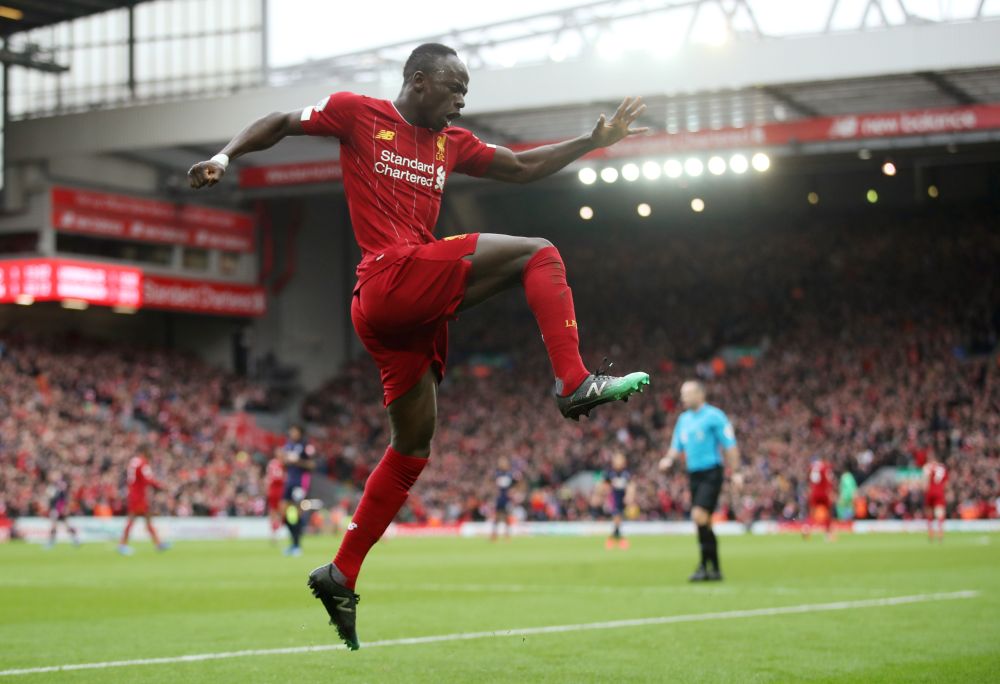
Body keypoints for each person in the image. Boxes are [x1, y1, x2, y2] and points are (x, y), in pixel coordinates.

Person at [189, 42, 650, 650]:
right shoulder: (358, 114)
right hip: (387, 278)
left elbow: (519, 166)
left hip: (401, 315)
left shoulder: (449, 144)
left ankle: (341, 570)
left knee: (412, 447)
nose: (462, 102)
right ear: (419, 80)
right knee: (539, 252)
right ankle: (572, 381)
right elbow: (280, 121)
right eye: (455, 89)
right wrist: (225, 155)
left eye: (466, 94)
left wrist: (589, 143)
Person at [660, 380, 739, 582]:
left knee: (698, 516)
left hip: (711, 471)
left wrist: (736, 471)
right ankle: (714, 569)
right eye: (682, 393)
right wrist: (668, 459)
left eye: (687, 393)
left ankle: (705, 565)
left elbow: (729, 445)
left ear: (700, 395)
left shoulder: (714, 416)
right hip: (693, 474)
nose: (682, 397)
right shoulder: (683, 420)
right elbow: (676, 446)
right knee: (703, 522)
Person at [119, 449, 169, 555]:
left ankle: (158, 543)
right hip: (139, 496)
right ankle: (122, 545)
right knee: (133, 519)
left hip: (133, 494)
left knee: (146, 519)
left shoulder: (133, 461)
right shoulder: (142, 463)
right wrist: (160, 486)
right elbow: (148, 479)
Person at [280, 425, 315, 557]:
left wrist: (297, 461)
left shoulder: (306, 446)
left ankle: (297, 546)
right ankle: (293, 544)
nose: (292, 433)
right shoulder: (288, 445)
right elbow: (284, 462)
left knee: (297, 513)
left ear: (300, 433)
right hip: (289, 482)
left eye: (295, 431)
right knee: (284, 513)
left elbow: (312, 465)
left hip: (300, 483)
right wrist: (284, 459)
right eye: (291, 431)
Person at [602, 452, 632, 549]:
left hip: (622, 498)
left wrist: (629, 495)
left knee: (619, 517)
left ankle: (614, 537)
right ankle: (617, 539)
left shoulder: (626, 473)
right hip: (614, 497)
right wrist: (606, 494)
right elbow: (605, 484)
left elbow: (631, 485)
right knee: (617, 516)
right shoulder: (610, 473)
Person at [804, 457, 837, 541]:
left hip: (814, 493)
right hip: (824, 493)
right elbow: (828, 480)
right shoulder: (825, 467)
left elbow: (809, 480)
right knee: (828, 513)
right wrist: (831, 492)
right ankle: (828, 535)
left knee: (812, 513)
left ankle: (807, 528)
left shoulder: (812, 467)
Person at [45, 471, 80, 548]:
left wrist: (64, 507)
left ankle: (51, 542)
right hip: (56, 508)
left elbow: (63, 497)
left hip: (58, 508)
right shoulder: (53, 486)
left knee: (56, 525)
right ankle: (75, 540)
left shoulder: (60, 485)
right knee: (64, 525)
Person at [490, 457, 517, 541]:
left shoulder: (510, 474)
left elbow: (516, 484)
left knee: (506, 516)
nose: (502, 465)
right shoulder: (497, 474)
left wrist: (512, 491)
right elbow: (492, 483)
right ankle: (494, 534)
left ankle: (507, 534)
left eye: (504, 463)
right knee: (497, 516)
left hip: (507, 498)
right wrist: (494, 491)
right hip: (500, 498)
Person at [923, 457, 948, 542]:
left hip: (930, 491)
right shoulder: (942, 468)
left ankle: (931, 533)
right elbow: (946, 483)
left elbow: (925, 481)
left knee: (929, 512)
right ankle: (940, 533)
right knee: (940, 513)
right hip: (939, 492)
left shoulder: (927, 467)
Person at [265, 448, 286, 544]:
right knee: (277, 512)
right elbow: (278, 477)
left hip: (276, 490)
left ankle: (275, 533)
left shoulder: (272, 463)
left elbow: (268, 478)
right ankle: (275, 533)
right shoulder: (281, 464)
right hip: (277, 490)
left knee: (277, 513)